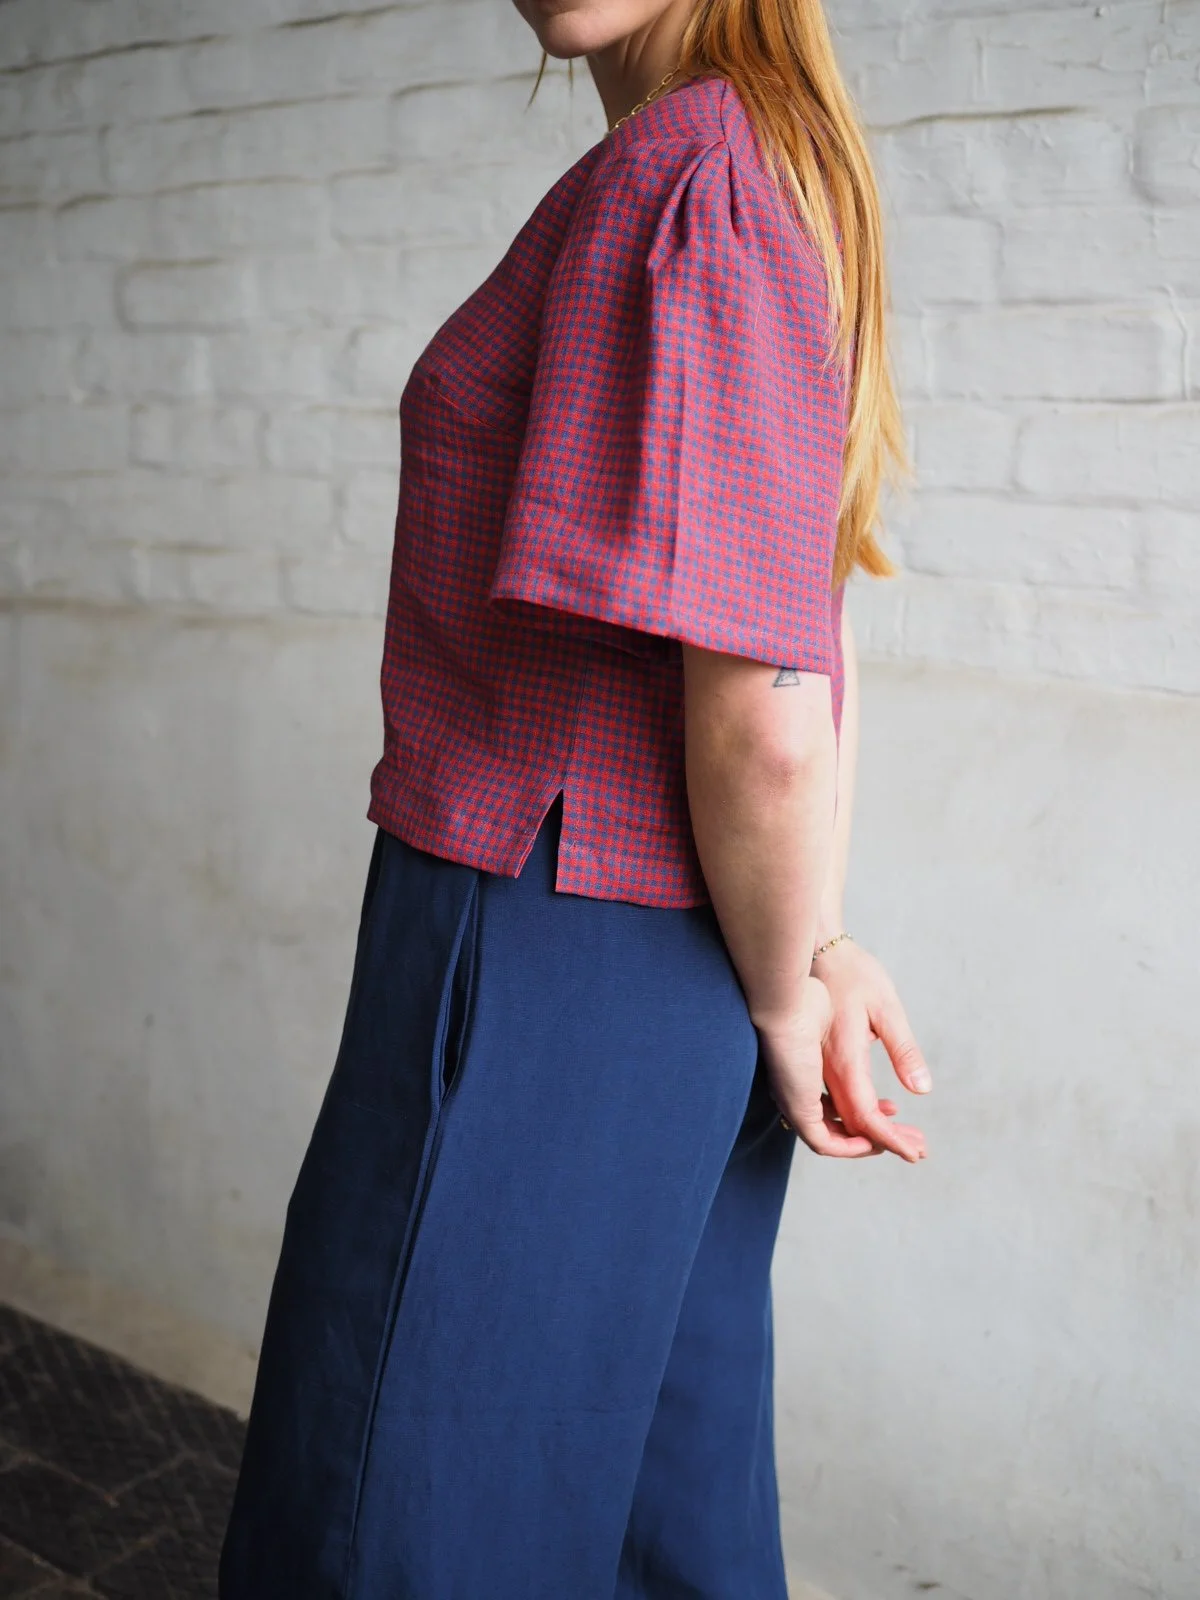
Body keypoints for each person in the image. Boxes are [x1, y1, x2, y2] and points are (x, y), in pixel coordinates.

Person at [219, 0, 933, 1594]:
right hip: (695, 962)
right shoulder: (777, 170)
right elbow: (806, 633)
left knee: (399, 1519)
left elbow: (765, 704)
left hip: (535, 945)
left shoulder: (690, 173)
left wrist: (794, 973)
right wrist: (803, 956)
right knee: (659, 1522)